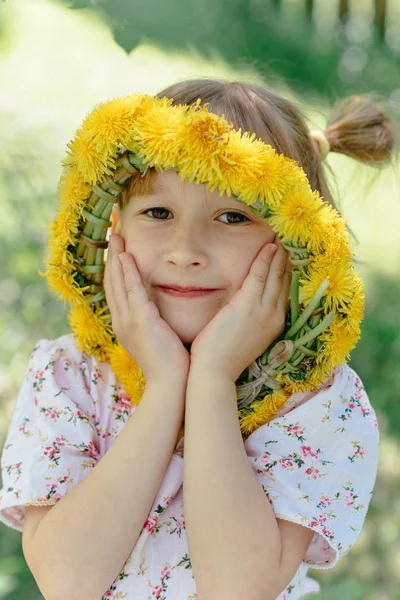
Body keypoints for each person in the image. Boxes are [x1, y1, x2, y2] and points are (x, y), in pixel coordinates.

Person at [0, 78, 395, 600]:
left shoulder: (317, 403)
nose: (185, 250)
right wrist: (166, 385)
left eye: (232, 216)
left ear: (296, 244)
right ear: (114, 227)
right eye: (157, 212)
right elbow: (68, 581)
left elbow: (237, 588)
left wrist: (210, 380)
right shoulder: (72, 374)